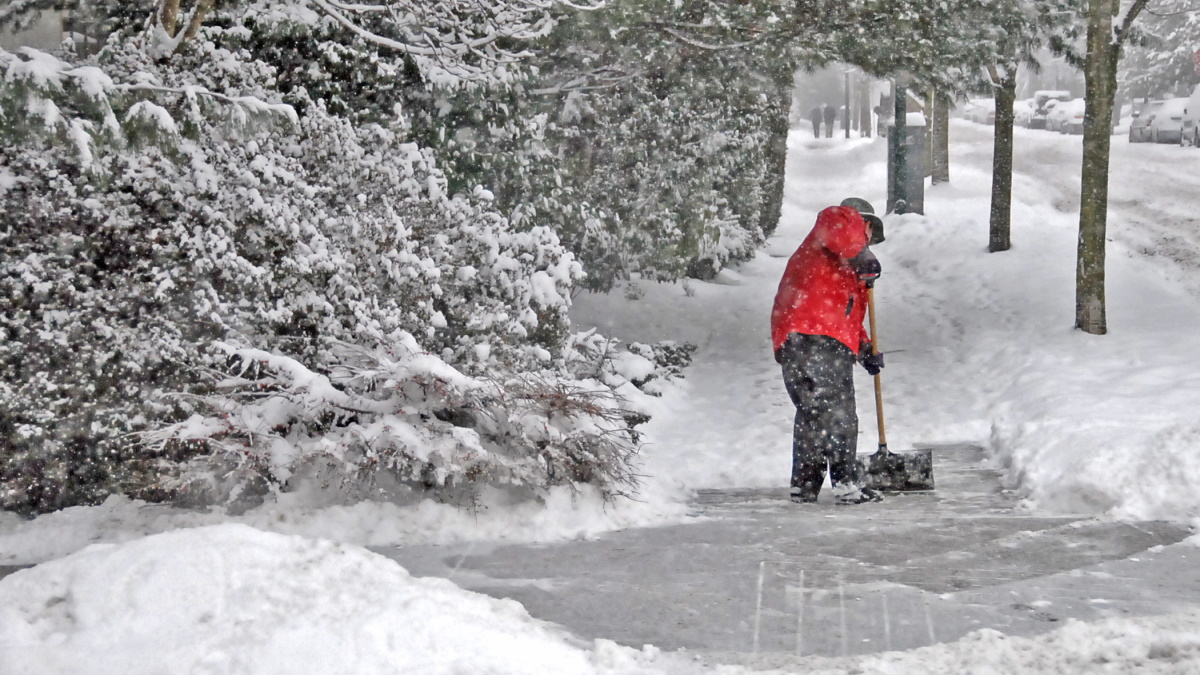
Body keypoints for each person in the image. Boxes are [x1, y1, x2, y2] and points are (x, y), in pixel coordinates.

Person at [770, 200, 885, 505]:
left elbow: (847, 319)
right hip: (817, 338)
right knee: (839, 415)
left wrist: (864, 350)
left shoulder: (839, 270)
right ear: (866, 225)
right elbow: (835, 221)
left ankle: (804, 486)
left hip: (798, 340)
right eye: (870, 235)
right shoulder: (837, 221)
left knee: (813, 416)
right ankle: (846, 485)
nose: (869, 242)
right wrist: (862, 252)